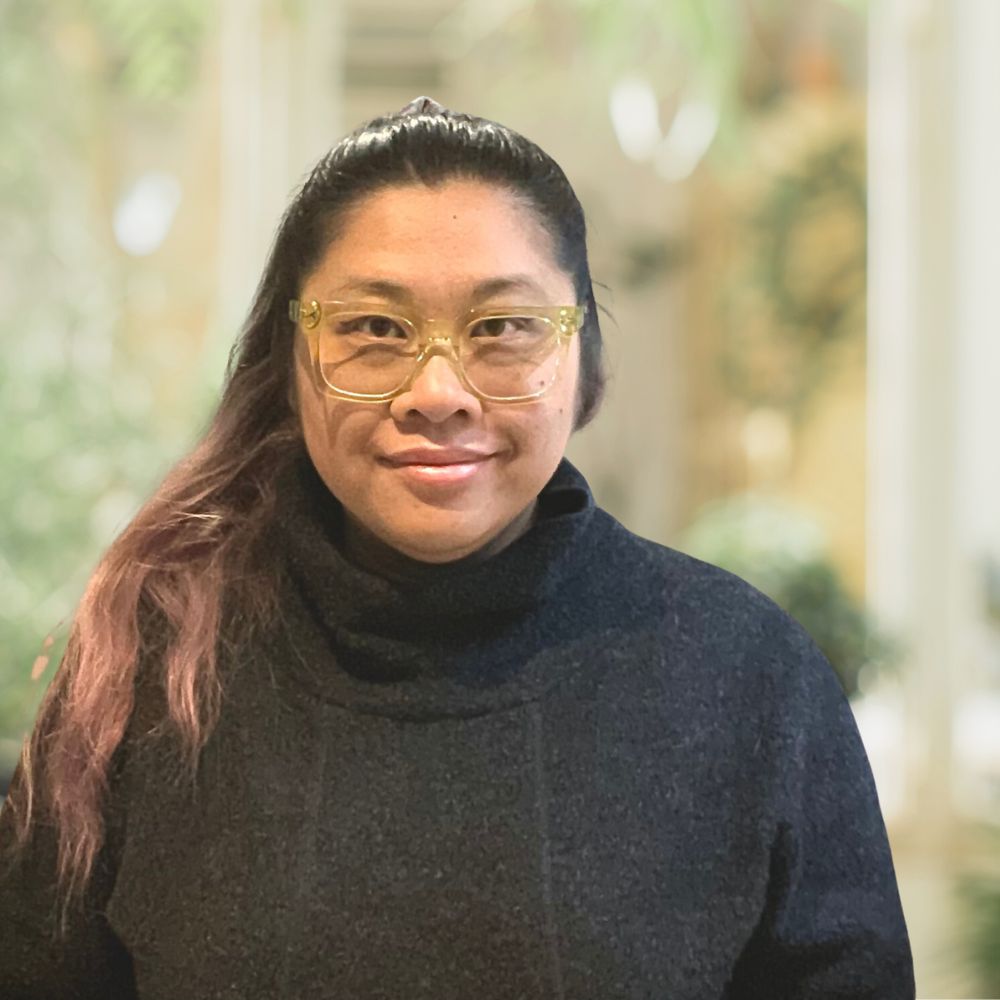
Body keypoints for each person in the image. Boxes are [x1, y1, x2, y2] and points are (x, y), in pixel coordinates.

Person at [0, 97, 914, 999]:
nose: (438, 391)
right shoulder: (153, 675)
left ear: (583, 359)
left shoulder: (746, 677)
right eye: (373, 330)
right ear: (291, 360)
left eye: (504, 329)